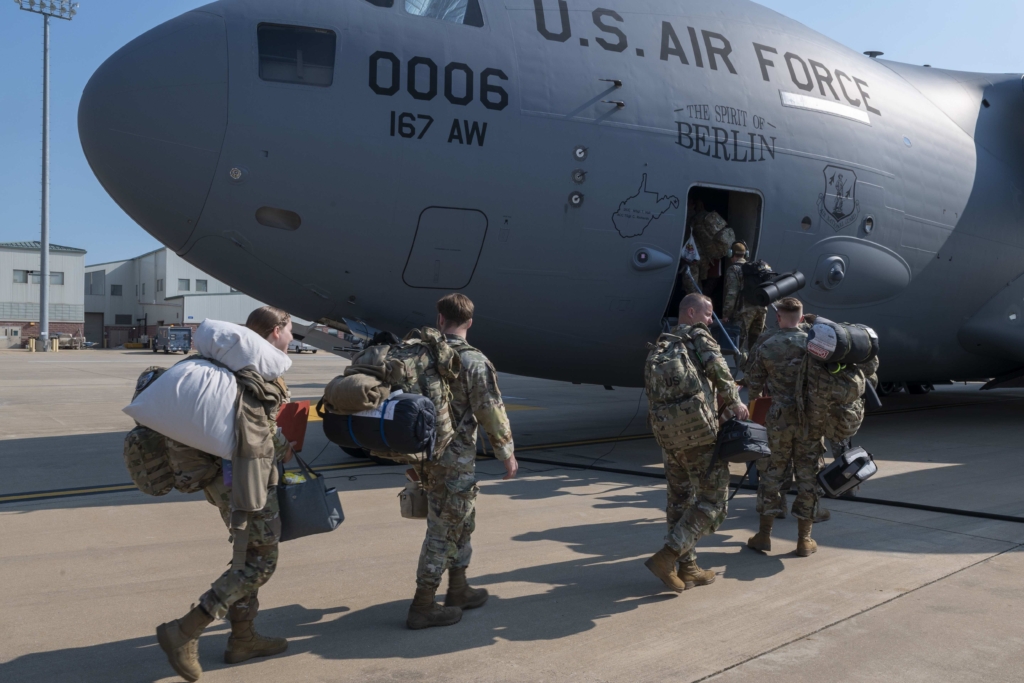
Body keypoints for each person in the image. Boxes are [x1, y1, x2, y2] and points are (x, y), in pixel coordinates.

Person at [157, 306, 297, 682]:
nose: (292, 339)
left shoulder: (227, 366)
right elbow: (263, 435)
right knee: (259, 563)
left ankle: (243, 638)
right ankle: (185, 629)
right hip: (247, 481)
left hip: (223, 479)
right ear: (274, 331)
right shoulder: (257, 374)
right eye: (289, 331)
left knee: (246, 553)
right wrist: (287, 442)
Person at [407, 293, 519, 629]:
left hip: (424, 455)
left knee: (461, 520)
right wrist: (507, 453)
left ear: (440, 320)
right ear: (469, 322)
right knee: (442, 530)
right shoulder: (473, 361)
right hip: (454, 459)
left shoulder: (421, 356)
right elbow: (490, 411)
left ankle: (458, 589)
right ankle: (422, 606)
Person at [644, 293, 749, 592]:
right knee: (713, 501)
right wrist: (734, 400)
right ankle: (668, 556)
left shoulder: (663, 342)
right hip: (699, 436)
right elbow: (718, 369)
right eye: (707, 314)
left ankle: (688, 568)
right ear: (690, 312)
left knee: (679, 500)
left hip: (669, 437)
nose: (710, 320)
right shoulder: (699, 337)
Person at [744, 297, 824, 557]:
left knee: (772, 473)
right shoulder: (815, 346)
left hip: (778, 419)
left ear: (778, 317)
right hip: (809, 420)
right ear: (801, 318)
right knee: (807, 475)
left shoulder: (767, 345)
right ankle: (804, 539)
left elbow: (753, 387)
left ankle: (764, 536)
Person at [721, 242, 768, 356]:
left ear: (731, 254)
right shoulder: (757, 268)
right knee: (756, 344)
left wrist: (726, 314)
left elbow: (732, 293)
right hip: (761, 310)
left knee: (738, 347)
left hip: (744, 312)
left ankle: (743, 367)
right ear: (745, 254)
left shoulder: (734, 269)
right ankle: (754, 369)